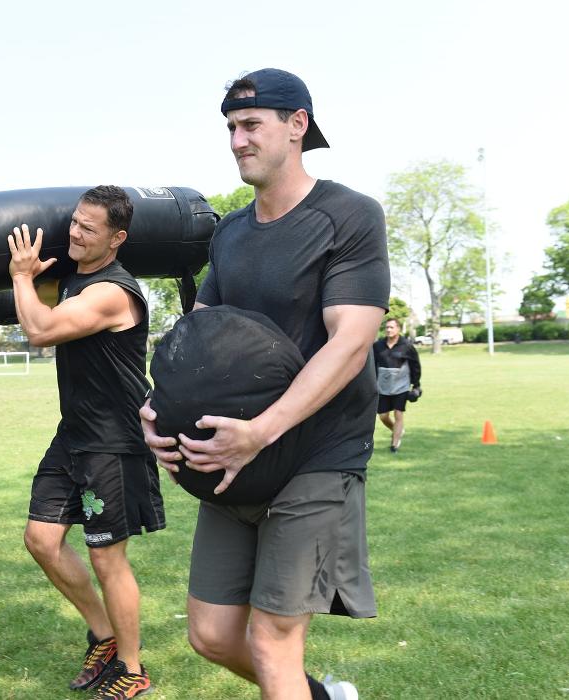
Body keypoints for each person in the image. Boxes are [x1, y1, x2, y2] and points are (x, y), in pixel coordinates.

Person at [140, 68, 389, 700]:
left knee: (273, 639)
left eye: (251, 125)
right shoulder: (230, 232)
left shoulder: (349, 216)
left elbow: (351, 340)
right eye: (230, 128)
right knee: (212, 634)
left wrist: (262, 430)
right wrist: (156, 409)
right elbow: (199, 335)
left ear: (297, 126)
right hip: (233, 456)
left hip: (315, 452)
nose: (236, 140)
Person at [7, 185, 165, 699]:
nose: (75, 232)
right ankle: (103, 634)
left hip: (113, 440)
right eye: (74, 222)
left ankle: (133, 668)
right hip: (74, 431)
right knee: (41, 539)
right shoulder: (75, 279)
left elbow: (40, 330)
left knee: (106, 558)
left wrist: (20, 276)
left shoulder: (113, 292)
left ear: (116, 239)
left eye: (88, 228)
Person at [373, 318, 421, 453]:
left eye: (392, 327)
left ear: (398, 329)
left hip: (401, 385)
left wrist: (416, 385)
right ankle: (398, 430)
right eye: (387, 327)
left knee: (398, 413)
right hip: (383, 386)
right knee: (383, 416)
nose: (389, 330)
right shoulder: (378, 346)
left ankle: (394, 444)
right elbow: (372, 365)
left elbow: (415, 366)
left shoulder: (407, 345)